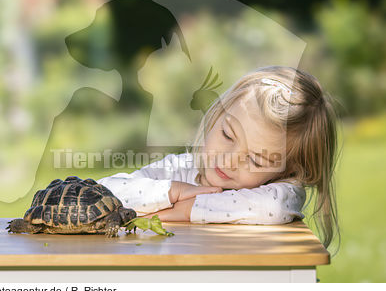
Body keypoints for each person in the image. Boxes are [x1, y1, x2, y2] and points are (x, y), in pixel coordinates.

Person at [97, 65, 341, 250]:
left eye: (256, 160)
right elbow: (103, 192)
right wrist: (173, 192)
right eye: (227, 135)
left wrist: (189, 208)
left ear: (287, 173)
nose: (229, 160)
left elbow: (275, 206)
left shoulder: (278, 192)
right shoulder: (179, 169)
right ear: (216, 115)